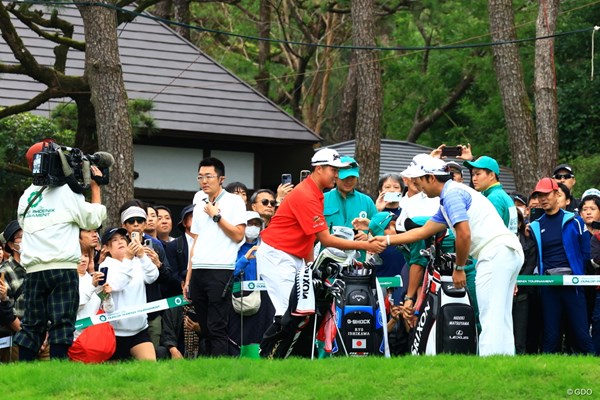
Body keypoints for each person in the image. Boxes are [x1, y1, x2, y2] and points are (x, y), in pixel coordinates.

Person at [375, 154, 523, 356]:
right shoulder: (450, 197)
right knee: (501, 316)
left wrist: (459, 268)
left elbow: (463, 233)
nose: (419, 187)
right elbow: (424, 230)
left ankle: (490, 369)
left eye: (420, 181)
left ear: (431, 178)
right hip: (507, 251)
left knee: (491, 315)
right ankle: (505, 364)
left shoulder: (452, 195)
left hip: (495, 253)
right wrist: (388, 240)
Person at [256, 148, 386, 355]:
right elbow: (325, 239)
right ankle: (270, 357)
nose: (336, 174)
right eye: (333, 169)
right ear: (318, 169)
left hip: (292, 256)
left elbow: (311, 237)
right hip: (277, 255)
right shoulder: (307, 195)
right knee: (289, 313)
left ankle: (294, 358)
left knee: (303, 312)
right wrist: (366, 246)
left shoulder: (315, 193)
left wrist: (310, 265)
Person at [14, 142, 107, 361]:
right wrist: (95, 187)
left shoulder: (26, 197)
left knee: (31, 326)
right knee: (62, 323)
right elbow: (92, 219)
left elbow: (23, 224)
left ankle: (24, 369)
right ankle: (59, 368)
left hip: (34, 270)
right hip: (63, 269)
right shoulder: (67, 192)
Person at [183, 157, 247, 357]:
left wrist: (216, 216)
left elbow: (238, 235)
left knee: (217, 326)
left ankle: (220, 370)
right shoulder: (197, 198)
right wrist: (188, 277)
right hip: (199, 269)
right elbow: (196, 240)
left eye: (209, 176)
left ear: (221, 179)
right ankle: (208, 368)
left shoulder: (234, 201)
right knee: (204, 326)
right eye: (200, 176)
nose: (204, 181)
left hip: (220, 269)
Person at [528, 178, 594, 354]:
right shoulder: (535, 226)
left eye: (546, 194)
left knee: (581, 334)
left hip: (573, 284)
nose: (542, 199)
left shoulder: (575, 221)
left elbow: (586, 254)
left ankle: (594, 370)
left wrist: (583, 277)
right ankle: (548, 375)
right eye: (538, 195)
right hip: (548, 285)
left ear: (557, 194)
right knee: (551, 335)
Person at [100, 227, 159, 360]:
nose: (120, 242)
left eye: (122, 238)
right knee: (115, 377)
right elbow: (118, 284)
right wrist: (127, 258)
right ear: (107, 248)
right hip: (115, 333)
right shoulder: (105, 266)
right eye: (114, 240)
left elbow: (153, 276)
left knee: (150, 369)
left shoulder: (137, 262)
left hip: (140, 330)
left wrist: (142, 255)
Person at [228, 211, 275, 354]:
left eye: (256, 224)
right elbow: (230, 273)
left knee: (263, 335)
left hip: (264, 299)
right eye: (249, 224)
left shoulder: (267, 247)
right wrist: (245, 258)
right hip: (239, 297)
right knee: (239, 336)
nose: (253, 227)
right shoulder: (233, 247)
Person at [323, 156, 378, 261]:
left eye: (352, 177)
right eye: (345, 177)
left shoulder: (367, 201)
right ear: (336, 176)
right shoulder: (323, 199)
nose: (349, 181)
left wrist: (368, 239)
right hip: (328, 261)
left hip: (357, 263)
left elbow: (380, 232)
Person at [463, 155, 518, 233]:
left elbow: (488, 232)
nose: (474, 179)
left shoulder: (494, 198)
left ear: (492, 175)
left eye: (478, 174)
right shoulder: (502, 195)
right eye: (473, 174)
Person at [0, 220, 25, 362]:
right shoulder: (4, 271)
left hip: (42, 337)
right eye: (21, 237)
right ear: (10, 245)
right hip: (16, 339)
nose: (26, 240)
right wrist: (26, 335)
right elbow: (4, 310)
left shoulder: (37, 268)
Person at [165, 204, 196, 287]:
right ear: (184, 222)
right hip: (180, 294)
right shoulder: (174, 245)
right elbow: (172, 275)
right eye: (193, 216)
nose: (198, 219)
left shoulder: (210, 242)